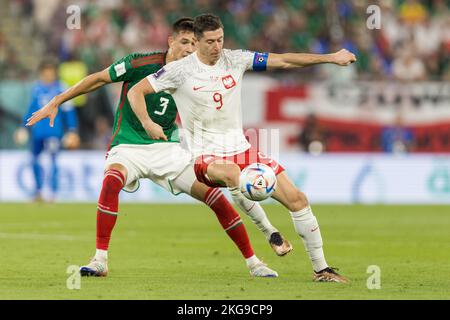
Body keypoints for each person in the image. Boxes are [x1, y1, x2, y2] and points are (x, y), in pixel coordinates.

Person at [26, 18, 288, 278]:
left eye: (194, 43)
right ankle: (100, 260)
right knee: (111, 181)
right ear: (170, 41)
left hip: (169, 150)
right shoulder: (140, 63)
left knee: (215, 198)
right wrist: (57, 101)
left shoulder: (197, 73)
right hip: (129, 146)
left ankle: (254, 262)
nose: (189, 48)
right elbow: (97, 79)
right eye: (184, 42)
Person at [128, 13, 357, 283]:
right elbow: (136, 92)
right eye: (211, 41)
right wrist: (147, 123)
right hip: (206, 156)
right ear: (198, 42)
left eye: (220, 39)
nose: (217, 46)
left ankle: (322, 270)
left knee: (298, 199)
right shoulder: (179, 71)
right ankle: (269, 231)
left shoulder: (235, 59)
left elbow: (282, 60)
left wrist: (330, 57)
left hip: (242, 149)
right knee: (232, 175)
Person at [15, 59, 79, 202]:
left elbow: (69, 112)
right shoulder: (37, 89)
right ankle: (38, 191)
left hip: (53, 132)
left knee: (53, 161)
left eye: (50, 72)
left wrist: (72, 130)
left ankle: (53, 193)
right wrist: (23, 127)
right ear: (42, 73)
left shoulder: (62, 88)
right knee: (34, 160)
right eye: (45, 72)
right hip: (38, 132)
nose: (48, 75)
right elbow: (31, 110)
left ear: (54, 73)